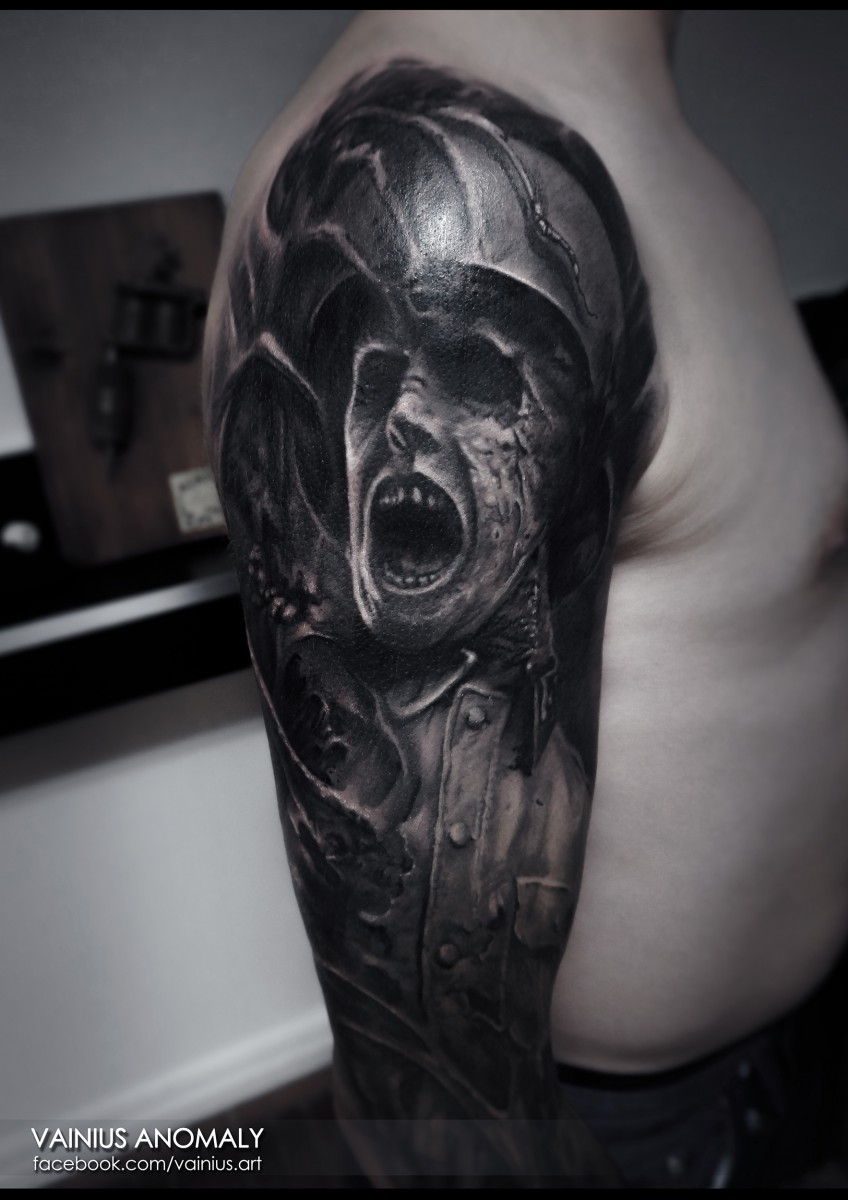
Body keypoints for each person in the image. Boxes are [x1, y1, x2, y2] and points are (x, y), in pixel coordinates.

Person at [203, 11, 848, 1187]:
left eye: (474, 382)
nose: (407, 418)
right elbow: (428, 1102)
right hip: (607, 1139)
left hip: (771, 1075)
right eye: (383, 384)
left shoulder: (657, 153)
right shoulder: (448, 211)